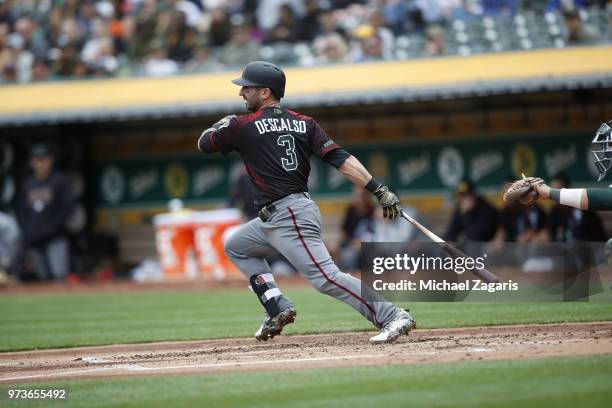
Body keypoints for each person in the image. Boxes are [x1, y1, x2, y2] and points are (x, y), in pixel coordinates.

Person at [197, 61, 415, 344]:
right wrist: (379, 189)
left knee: (326, 277)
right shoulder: (304, 122)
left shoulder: (242, 125)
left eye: (247, 88)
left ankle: (392, 315)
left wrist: (221, 124)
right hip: (275, 217)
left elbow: (203, 143)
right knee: (237, 246)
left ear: (265, 92)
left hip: (289, 214)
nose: (242, 93)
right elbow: (342, 160)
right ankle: (276, 306)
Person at [16, 143, 74, 281]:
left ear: (50, 160)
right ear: (32, 162)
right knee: (42, 278)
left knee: (59, 274)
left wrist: (53, 227)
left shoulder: (59, 181)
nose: (40, 163)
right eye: (37, 159)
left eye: (43, 159)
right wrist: (28, 231)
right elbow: (21, 211)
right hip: (35, 240)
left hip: (55, 237)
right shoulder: (28, 184)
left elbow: (67, 208)